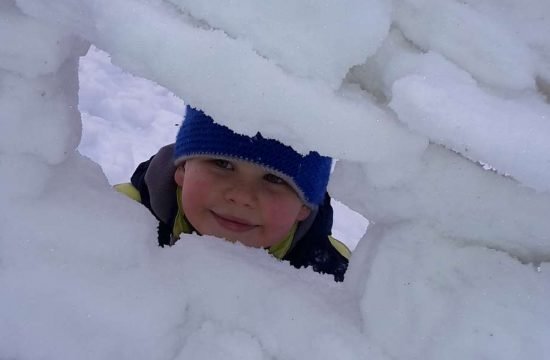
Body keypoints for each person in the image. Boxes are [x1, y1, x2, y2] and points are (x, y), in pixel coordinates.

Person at [116, 105, 350, 281]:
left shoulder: (331, 276)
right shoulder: (117, 215)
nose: (241, 196)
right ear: (183, 169)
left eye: (274, 179)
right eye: (222, 164)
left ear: (304, 205)